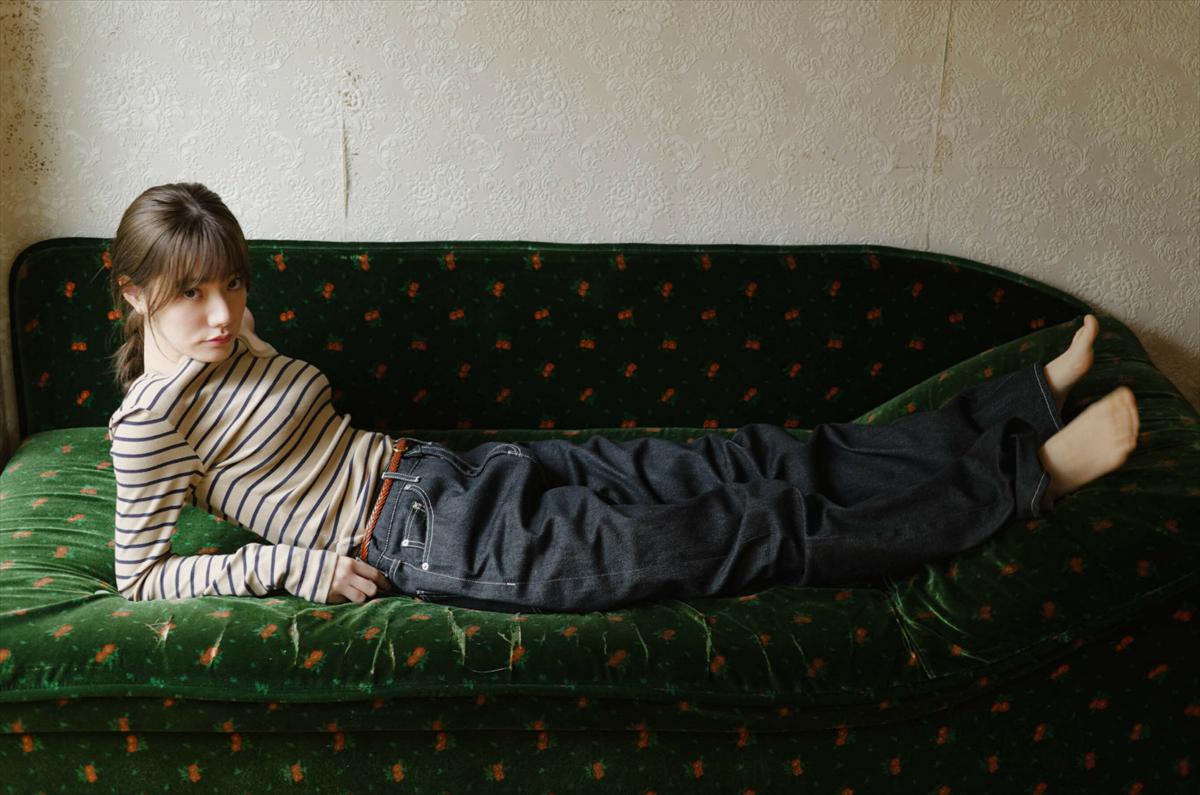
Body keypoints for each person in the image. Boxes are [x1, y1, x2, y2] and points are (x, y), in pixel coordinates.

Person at [107, 182, 1140, 613]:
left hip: (445, 470)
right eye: (192, 292)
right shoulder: (151, 422)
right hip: (424, 540)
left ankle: (1009, 407)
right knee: (751, 523)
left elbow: (283, 416)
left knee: (753, 455)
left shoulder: (230, 343)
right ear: (133, 292)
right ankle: (1026, 479)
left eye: (232, 283)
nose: (223, 312)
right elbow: (138, 577)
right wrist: (296, 567)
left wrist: (220, 332)